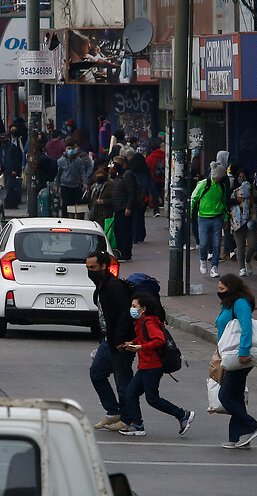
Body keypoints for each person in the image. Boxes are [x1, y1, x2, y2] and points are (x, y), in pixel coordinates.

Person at [116, 292, 195, 437]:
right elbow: (142, 337)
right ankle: (137, 424)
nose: (131, 309)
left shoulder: (149, 322)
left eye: (134, 306)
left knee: (152, 398)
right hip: (146, 365)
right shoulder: (142, 321)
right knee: (131, 393)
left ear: (143, 309)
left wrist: (141, 347)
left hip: (152, 366)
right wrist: (131, 343)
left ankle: (182, 414)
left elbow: (159, 340)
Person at [86, 251, 135, 431]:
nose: (90, 271)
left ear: (104, 266)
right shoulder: (101, 285)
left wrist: (121, 339)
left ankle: (130, 420)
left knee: (123, 382)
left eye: (93, 268)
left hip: (120, 342)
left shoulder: (113, 286)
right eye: (87, 268)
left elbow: (126, 313)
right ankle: (113, 411)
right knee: (97, 373)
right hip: (108, 340)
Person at [214, 273, 257, 449]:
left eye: (222, 288)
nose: (219, 291)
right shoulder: (227, 304)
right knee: (236, 396)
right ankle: (238, 437)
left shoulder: (240, 303)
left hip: (238, 357)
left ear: (231, 288)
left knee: (225, 396)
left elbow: (246, 326)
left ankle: (250, 425)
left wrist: (243, 351)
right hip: (228, 354)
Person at [190, 162, 230, 278]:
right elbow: (194, 198)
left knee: (217, 243)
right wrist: (189, 212)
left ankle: (214, 267)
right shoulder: (204, 184)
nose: (218, 179)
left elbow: (224, 202)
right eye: (218, 177)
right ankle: (202, 260)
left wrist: (226, 218)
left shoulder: (221, 186)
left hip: (217, 217)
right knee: (203, 243)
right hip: (203, 217)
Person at [230, 169, 257, 277]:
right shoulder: (233, 189)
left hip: (252, 219)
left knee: (253, 244)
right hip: (237, 220)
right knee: (240, 245)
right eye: (239, 177)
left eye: (243, 176)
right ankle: (241, 268)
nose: (241, 179)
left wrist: (253, 199)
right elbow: (227, 201)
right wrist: (237, 201)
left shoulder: (252, 188)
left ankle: (248, 260)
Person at [109, 156, 138, 261]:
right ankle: (120, 251)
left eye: (116, 163)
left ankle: (125, 253)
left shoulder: (127, 175)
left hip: (123, 208)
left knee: (125, 231)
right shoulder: (118, 176)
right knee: (118, 231)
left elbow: (132, 192)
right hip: (117, 208)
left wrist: (128, 207)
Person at [56, 139, 90, 217]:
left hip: (76, 186)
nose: (70, 150)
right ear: (65, 149)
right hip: (65, 186)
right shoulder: (61, 161)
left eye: (72, 148)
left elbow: (82, 173)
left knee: (78, 206)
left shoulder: (79, 161)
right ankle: (65, 220)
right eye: (68, 148)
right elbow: (58, 173)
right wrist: (56, 184)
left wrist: (85, 183)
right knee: (66, 205)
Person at [129, 152, 152, 244]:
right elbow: (150, 185)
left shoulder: (132, 173)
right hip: (144, 198)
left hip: (135, 197)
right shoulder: (146, 172)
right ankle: (141, 235)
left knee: (134, 217)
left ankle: (135, 236)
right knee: (141, 217)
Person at [0, 133, 24, 209]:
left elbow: (17, 159)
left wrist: (15, 170)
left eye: (4, 138)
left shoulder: (12, 147)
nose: (2, 140)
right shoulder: (3, 148)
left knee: (11, 187)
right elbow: (1, 157)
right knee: (7, 187)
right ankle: (9, 204)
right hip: (6, 170)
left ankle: (11, 204)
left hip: (11, 170)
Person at [87, 163, 113, 228]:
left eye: (100, 176)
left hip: (104, 213)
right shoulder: (94, 187)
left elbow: (114, 199)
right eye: (97, 176)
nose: (98, 178)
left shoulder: (110, 185)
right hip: (95, 212)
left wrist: (104, 201)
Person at [145, 140, 166, 217]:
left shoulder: (152, 156)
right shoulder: (166, 156)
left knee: (154, 195)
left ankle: (156, 210)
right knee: (161, 192)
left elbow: (147, 166)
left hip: (153, 178)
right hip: (163, 179)